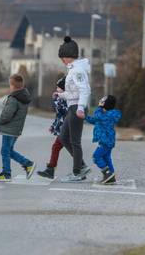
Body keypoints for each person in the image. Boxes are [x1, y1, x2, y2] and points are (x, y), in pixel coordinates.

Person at [57, 36, 92, 182]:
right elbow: (74, 92)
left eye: (62, 57)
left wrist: (81, 108)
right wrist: (61, 95)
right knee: (63, 137)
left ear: (67, 56)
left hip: (77, 108)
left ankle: (77, 172)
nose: (62, 61)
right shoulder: (73, 69)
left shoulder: (77, 70)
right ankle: (82, 166)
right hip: (73, 105)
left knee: (75, 141)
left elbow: (84, 90)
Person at [0, 74, 35, 182]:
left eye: (10, 84)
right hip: (16, 129)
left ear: (12, 85)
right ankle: (27, 164)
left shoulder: (14, 98)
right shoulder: (23, 96)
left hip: (9, 129)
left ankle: (6, 173)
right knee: (9, 151)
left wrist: (0, 120)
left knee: (5, 151)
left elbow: (7, 114)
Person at [37, 77, 68, 179]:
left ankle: (81, 166)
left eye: (58, 88)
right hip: (63, 128)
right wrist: (53, 126)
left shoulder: (66, 99)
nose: (57, 89)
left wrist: (56, 99)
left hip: (66, 128)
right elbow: (58, 116)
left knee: (59, 147)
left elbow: (62, 111)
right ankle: (51, 169)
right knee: (61, 147)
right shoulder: (61, 98)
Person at [86, 95, 122, 184]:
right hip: (105, 140)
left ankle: (108, 174)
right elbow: (95, 120)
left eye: (102, 101)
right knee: (107, 158)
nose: (100, 102)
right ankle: (111, 176)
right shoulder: (104, 114)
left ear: (106, 104)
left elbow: (98, 117)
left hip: (106, 141)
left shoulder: (109, 115)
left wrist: (99, 107)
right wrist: (85, 117)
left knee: (96, 157)